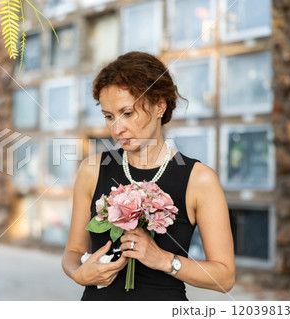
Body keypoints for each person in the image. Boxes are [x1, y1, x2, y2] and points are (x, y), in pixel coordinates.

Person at [61, 51, 235, 301]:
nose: (117, 128)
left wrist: (164, 260)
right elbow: (73, 252)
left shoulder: (200, 180)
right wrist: (78, 274)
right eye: (109, 116)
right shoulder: (91, 170)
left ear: (160, 106)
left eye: (127, 113)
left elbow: (225, 277)